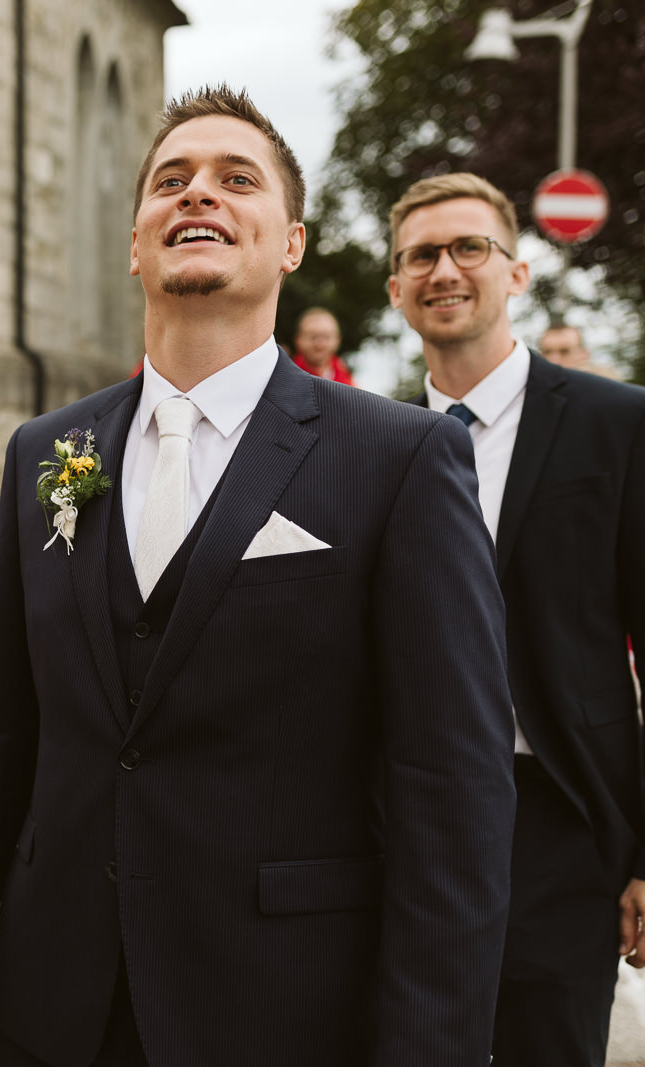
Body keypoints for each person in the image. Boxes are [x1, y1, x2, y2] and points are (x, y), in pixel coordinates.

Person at [0, 86, 516, 1067]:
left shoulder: (399, 459)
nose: (199, 195)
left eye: (237, 179)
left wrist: (433, 1042)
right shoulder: (46, 452)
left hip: (280, 1005)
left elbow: (454, 785)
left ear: (291, 242)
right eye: (171, 180)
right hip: (55, 1003)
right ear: (136, 242)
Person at [388, 172, 645, 1067]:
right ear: (397, 287)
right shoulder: (372, 438)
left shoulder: (617, 424)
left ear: (517, 271)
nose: (445, 269)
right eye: (421, 254)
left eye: (470, 248)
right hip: (405, 820)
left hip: (560, 816)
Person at [290, 306, 357, 385]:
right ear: (298, 340)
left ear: (337, 340)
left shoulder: (349, 384)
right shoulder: (284, 378)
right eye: (313, 337)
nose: (319, 344)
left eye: (326, 337)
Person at [540, 323, 622, 380]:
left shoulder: (605, 385)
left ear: (584, 355)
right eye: (547, 352)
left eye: (564, 352)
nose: (554, 360)